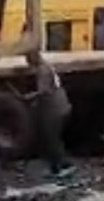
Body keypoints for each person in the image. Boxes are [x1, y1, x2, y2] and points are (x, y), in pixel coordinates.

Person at [24, 48, 74, 178]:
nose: (28, 64)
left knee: (52, 138)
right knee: (49, 137)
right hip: (58, 105)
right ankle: (55, 168)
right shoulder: (46, 67)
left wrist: (30, 97)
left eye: (28, 61)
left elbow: (44, 91)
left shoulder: (42, 70)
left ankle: (64, 166)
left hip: (55, 107)